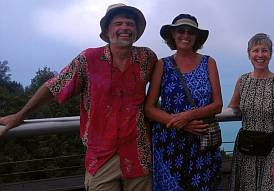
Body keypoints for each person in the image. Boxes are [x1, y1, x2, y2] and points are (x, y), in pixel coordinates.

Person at [0, 3, 157, 191]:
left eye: (130, 23)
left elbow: (165, 88)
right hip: (101, 158)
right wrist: (20, 115)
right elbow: (54, 87)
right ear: (107, 30)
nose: (124, 28)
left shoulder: (147, 58)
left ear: (136, 30)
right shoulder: (89, 59)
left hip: (138, 155)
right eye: (118, 23)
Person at [144, 14, 223, 190]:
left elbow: (217, 104)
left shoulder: (208, 62)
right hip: (170, 144)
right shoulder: (162, 65)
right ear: (173, 34)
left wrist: (188, 116)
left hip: (202, 146)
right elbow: (149, 108)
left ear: (196, 37)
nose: (185, 35)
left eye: (191, 32)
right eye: (181, 31)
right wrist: (182, 124)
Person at [228, 33, 274, 190]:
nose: (260, 55)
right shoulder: (242, 81)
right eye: (255, 50)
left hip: (272, 150)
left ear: (270, 54)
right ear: (249, 53)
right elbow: (232, 106)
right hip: (246, 150)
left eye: (264, 50)